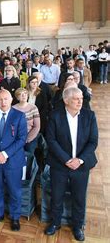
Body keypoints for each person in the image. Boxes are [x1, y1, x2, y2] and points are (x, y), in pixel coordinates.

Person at [44, 87, 98, 242]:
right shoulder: (55, 116)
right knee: (57, 195)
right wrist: (66, 160)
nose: (80, 101)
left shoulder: (89, 115)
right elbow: (51, 140)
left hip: (81, 165)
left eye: (81, 98)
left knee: (79, 198)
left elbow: (93, 141)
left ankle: (77, 226)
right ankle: (55, 223)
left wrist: (79, 160)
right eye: (76, 98)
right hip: (60, 165)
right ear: (66, 100)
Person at [0, 89, 27, 232]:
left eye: (5, 99)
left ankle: (14, 217)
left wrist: (5, 154)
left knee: (15, 190)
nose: (3, 102)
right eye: (0, 99)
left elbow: (22, 139)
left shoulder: (19, 116)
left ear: (11, 100)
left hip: (13, 161)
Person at [12, 88, 40, 155]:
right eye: (21, 94)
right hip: (16, 137)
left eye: (25, 94)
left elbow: (37, 126)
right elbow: (11, 126)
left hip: (30, 137)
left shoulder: (33, 108)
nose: (24, 96)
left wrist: (27, 139)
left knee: (29, 153)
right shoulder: (12, 109)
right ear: (17, 97)